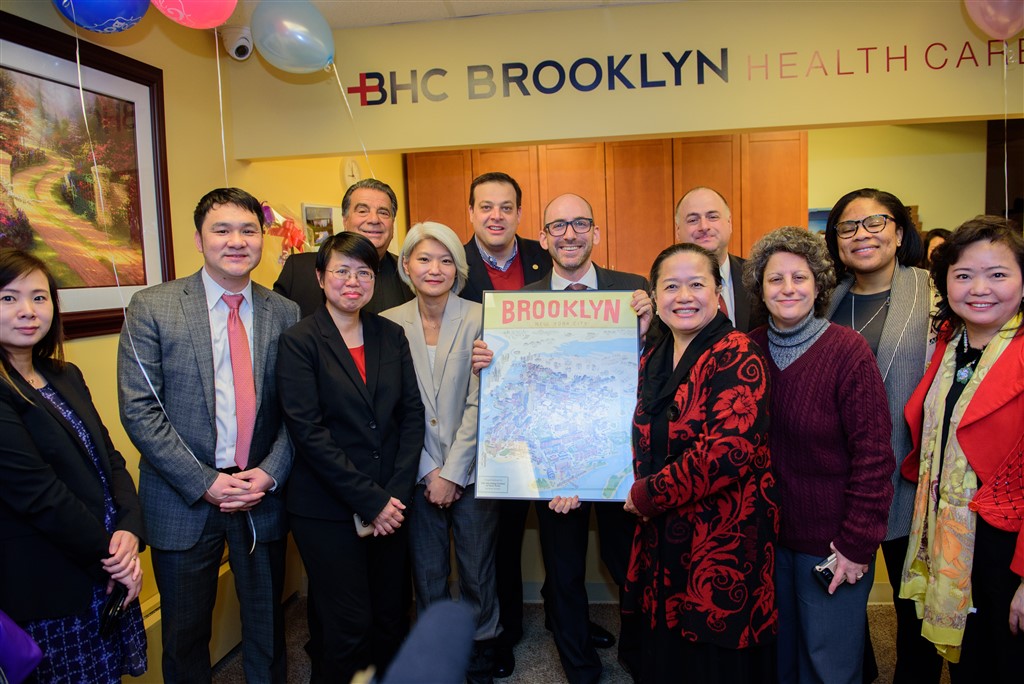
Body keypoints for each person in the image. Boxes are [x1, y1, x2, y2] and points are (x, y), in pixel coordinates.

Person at [118, 188, 300, 683]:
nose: (236, 241)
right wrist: (204, 482)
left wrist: (269, 473)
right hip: (183, 499)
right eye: (222, 230)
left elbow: (298, 411)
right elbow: (140, 409)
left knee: (267, 629)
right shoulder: (152, 306)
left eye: (248, 230)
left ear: (262, 239)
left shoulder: (285, 312)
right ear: (199, 239)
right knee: (184, 636)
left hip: (259, 495)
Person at [744, 227, 895, 684]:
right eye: (775, 279)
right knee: (780, 660)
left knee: (828, 665)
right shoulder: (747, 350)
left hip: (832, 544)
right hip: (768, 540)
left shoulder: (847, 352)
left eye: (800, 277)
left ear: (819, 285)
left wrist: (855, 544)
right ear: (760, 289)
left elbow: (874, 456)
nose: (788, 288)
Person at [623, 242, 778, 683]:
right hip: (665, 533)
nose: (684, 296)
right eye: (671, 286)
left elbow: (726, 453)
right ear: (654, 296)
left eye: (696, 284)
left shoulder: (737, 353)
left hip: (722, 537)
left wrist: (645, 494)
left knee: (712, 659)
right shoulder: (654, 354)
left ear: (718, 293)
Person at [277, 232, 425, 683]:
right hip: (328, 508)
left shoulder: (391, 335)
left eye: (364, 271)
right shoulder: (299, 341)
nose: (353, 281)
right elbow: (309, 432)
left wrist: (393, 498)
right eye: (341, 270)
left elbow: (411, 416)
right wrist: (370, 501)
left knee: (389, 618)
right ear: (321, 278)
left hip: (391, 506)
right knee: (347, 625)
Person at [0, 249, 146, 682]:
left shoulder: (65, 374)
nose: (28, 311)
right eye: (9, 298)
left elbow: (110, 460)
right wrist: (114, 560)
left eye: (39, 297)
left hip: (105, 566)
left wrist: (131, 529)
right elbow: (40, 496)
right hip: (52, 583)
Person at [523, 193, 651, 683]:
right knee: (564, 567)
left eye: (580, 224)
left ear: (596, 233)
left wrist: (645, 327)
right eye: (558, 226)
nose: (569, 234)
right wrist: (489, 362)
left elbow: (658, 369)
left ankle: (640, 654)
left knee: (629, 562)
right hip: (555, 461)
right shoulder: (523, 301)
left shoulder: (633, 291)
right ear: (544, 237)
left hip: (622, 458)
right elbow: (516, 381)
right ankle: (579, 665)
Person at [899, 216, 1024, 681]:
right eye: (964, 274)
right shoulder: (950, 345)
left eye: (998, 274)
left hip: (1006, 546)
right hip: (950, 534)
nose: (979, 288)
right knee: (970, 663)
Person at [823, 189, 939, 683]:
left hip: (911, 473)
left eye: (874, 222)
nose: (861, 235)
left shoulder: (934, 291)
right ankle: (860, 672)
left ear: (898, 230)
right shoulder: (826, 296)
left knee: (913, 600)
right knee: (841, 593)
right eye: (847, 228)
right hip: (838, 476)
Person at [381, 222, 499, 683]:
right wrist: (431, 471)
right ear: (406, 265)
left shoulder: (482, 317)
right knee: (427, 574)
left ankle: (482, 651)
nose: (435, 268)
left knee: (477, 569)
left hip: (472, 466)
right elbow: (394, 407)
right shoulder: (387, 323)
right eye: (424, 259)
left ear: (458, 268)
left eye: (446, 259)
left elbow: (483, 399)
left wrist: (453, 470)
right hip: (416, 471)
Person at [458, 171, 552, 677]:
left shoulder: (544, 255)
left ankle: (523, 624)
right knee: (484, 536)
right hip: (476, 417)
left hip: (539, 415)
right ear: (471, 212)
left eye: (506, 206)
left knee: (519, 527)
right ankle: (492, 634)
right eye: (485, 206)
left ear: (519, 212)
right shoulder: (454, 264)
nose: (496, 215)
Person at [273, 178, 414, 316]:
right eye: (362, 211)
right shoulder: (298, 271)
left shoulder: (410, 275)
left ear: (392, 223)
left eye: (383, 213)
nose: (374, 219)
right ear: (345, 220)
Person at [673, 186, 764, 332]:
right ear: (678, 231)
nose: (704, 226)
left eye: (712, 217)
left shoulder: (758, 276)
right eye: (692, 220)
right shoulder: (666, 287)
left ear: (729, 223)